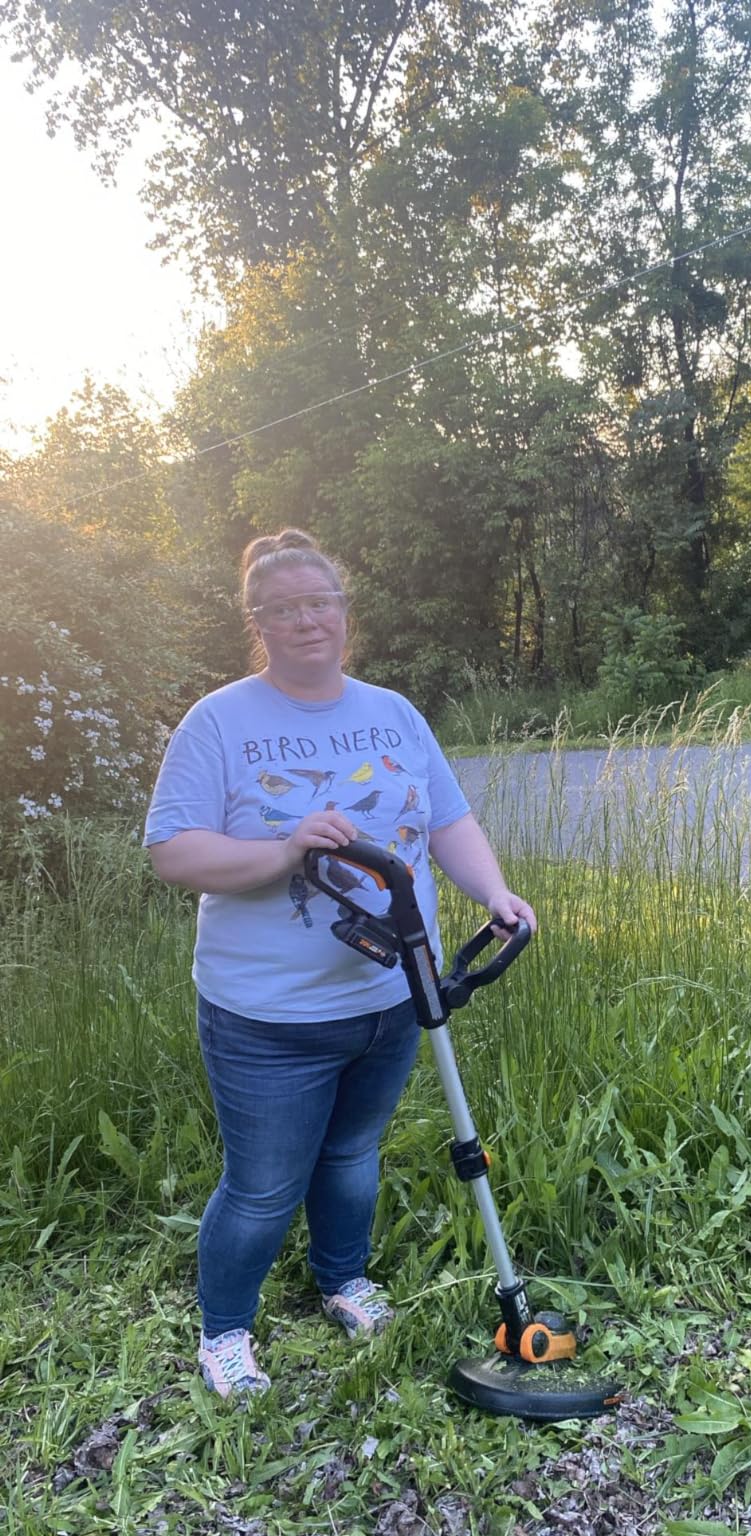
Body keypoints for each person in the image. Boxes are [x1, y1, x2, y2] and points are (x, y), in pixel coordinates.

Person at [145, 528, 536, 1399]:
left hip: (395, 993)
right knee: (261, 1186)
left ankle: (343, 1280)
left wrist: (494, 893)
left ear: (343, 610)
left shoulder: (393, 712)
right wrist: (286, 849)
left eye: (318, 602)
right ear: (259, 621)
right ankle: (225, 1334)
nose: (304, 620)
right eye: (281, 609)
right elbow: (173, 852)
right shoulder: (220, 721)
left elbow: (446, 823)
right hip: (268, 1014)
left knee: (353, 1154)